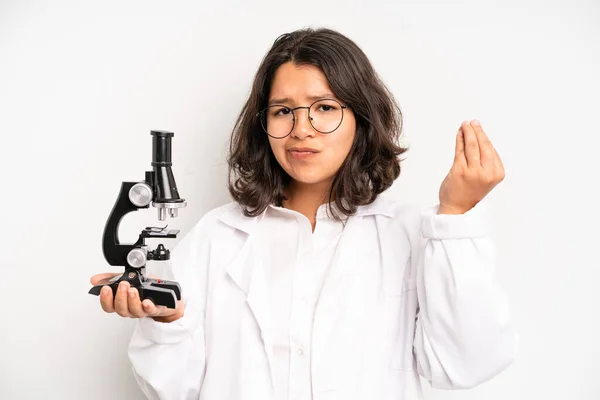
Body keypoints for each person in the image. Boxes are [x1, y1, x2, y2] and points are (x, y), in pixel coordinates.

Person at [90, 27, 518, 400]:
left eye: (325, 108)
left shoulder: (409, 234)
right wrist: (167, 320)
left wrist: (457, 216)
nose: (301, 128)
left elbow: (466, 363)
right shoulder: (216, 236)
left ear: (361, 120)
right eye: (282, 111)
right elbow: (171, 388)